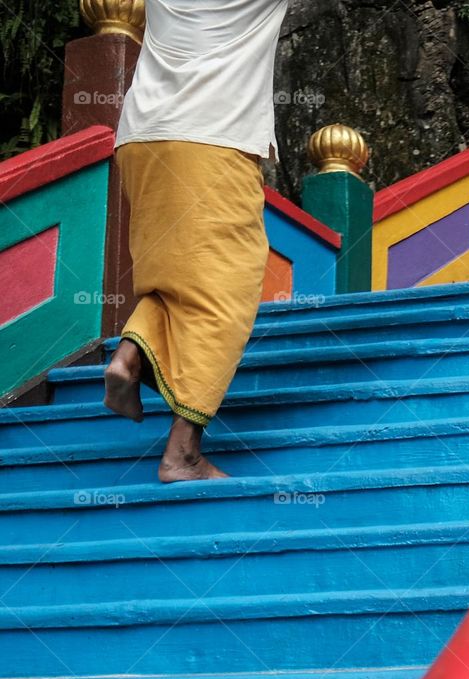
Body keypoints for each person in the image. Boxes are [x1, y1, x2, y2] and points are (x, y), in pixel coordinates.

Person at [104, 0, 289, 482]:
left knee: (175, 277)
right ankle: (182, 454)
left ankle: (131, 356)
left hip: (140, 136)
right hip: (211, 138)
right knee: (226, 290)